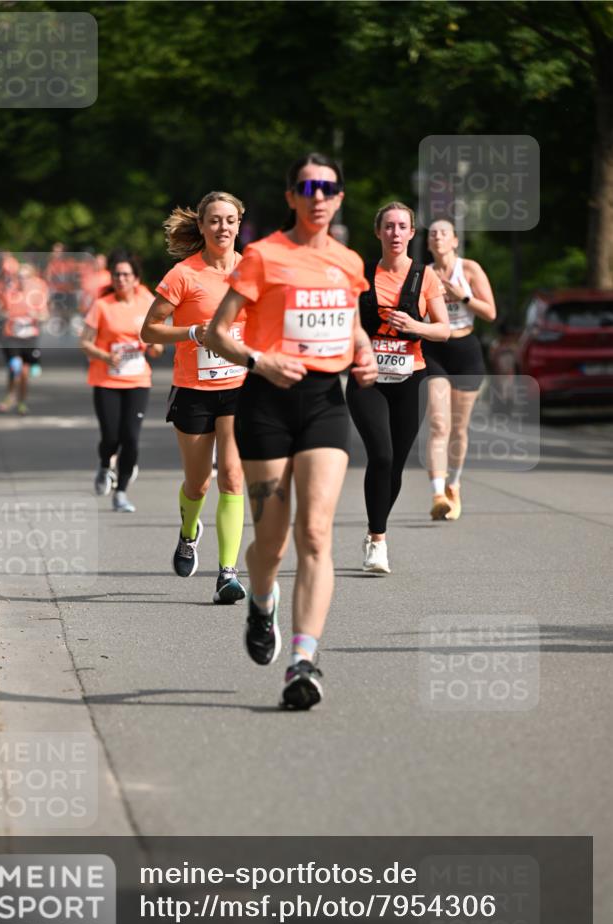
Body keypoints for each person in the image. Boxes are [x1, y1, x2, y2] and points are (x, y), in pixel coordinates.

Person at [205, 152, 377, 710]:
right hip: (266, 404)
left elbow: (351, 323)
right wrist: (259, 361)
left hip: (326, 402)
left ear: (340, 197)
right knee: (272, 541)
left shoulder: (350, 262)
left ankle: (303, 660)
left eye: (328, 186)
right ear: (291, 197)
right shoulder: (262, 256)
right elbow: (216, 333)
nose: (318, 196)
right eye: (308, 187)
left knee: (316, 534)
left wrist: (367, 353)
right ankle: (261, 602)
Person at [140, 192, 248, 605]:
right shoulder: (182, 275)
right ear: (201, 227)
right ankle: (188, 534)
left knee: (234, 477)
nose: (223, 227)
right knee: (199, 482)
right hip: (195, 390)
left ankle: (227, 573)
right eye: (215, 220)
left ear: (240, 224)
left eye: (230, 220)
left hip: (240, 388)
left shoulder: (253, 270)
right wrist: (191, 332)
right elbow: (149, 330)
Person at [346, 202, 450, 573]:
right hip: (367, 379)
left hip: (411, 377)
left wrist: (415, 325)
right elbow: (346, 320)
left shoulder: (425, 277)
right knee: (382, 455)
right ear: (378, 232)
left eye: (401, 226)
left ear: (411, 234)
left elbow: (444, 329)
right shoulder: (360, 275)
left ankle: (376, 527)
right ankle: (378, 540)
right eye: (388, 226)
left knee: (396, 466)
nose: (394, 233)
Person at [423, 219, 497, 520]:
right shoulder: (424, 274)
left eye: (444, 233)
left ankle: (454, 484)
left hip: (466, 351)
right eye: (432, 234)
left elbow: (490, 313)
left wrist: (462, 295)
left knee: (458, 428)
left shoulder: (469, 270)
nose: (438, 237)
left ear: (454, 241)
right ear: (428, 243)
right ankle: (438, 493)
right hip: (435, 350)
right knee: (439, 424)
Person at [80, 253, 163, 512]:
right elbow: (84, 342)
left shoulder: (147, 301)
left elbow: (157, 346)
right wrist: (106, 356)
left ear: (136, 278)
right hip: (106, 379)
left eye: (127, 274)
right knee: (111, 436)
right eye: (117, 274)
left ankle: (122, 492)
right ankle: (105, 465)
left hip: (138, 379)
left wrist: (152, 346)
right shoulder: (102, 305)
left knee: (131, 438)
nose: (121, 279)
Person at [0, 263, 49, 415]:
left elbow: (45, 315)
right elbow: (1, 311)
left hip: (29, 337)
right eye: (20, 276)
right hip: (12, 336)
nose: (22, 280)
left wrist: (36, 315)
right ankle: (10, 396)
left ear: (32, 279)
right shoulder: (10, 292)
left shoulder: (36, 295)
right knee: (15, 367)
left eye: (26, 277)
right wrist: (9, 316)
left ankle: (22, 402)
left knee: (25, 373)